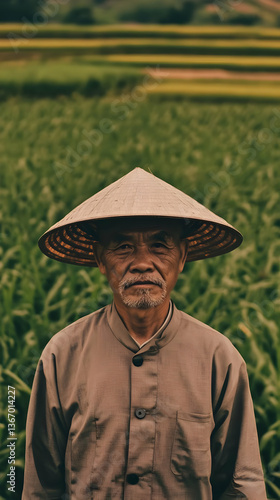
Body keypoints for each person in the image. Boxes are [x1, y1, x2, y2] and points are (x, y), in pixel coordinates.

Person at [22, 168, 267, 499]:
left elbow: (242, 484)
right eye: (123, 246)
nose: (142, 263)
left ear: (181, 257)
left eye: (159, 245)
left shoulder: (218, 358)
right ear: (100, 259)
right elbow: (40, 485)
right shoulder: (62, 355)